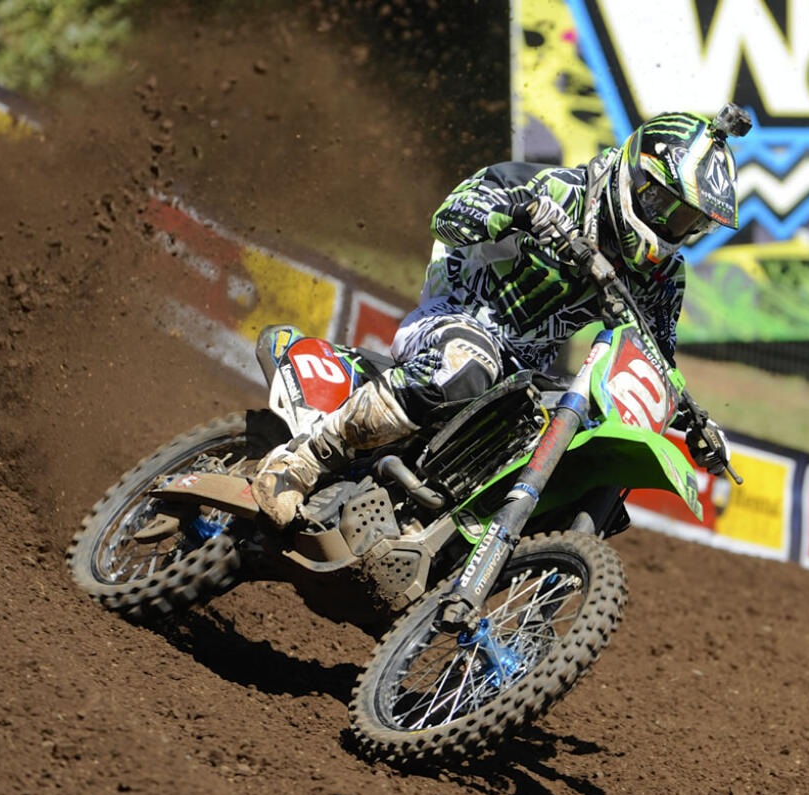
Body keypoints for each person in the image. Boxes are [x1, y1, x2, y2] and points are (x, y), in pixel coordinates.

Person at [253, 104, 752, 527]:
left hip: (525, 374)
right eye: (668, 205)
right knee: (469, 363)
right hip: (459, 315)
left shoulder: (663, 277)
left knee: (596, 452)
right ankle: (301, 461)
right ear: (638, 177)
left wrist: (694, 426)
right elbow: (448, 215)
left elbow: (652, 359)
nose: (671, 225)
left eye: (688, 220)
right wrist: (517, 210)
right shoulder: (557, 190)